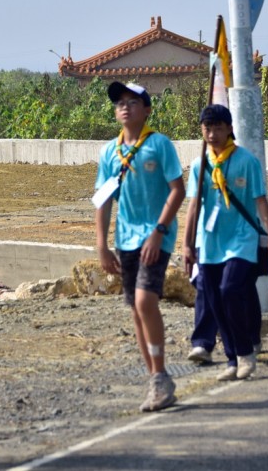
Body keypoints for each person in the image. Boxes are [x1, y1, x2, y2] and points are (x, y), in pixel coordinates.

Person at [94, 81, 185, 412]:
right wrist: (101, 245)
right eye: (119, 102)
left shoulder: (158, 144)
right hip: (126, 240)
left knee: (146, 300)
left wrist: (160, 230)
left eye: (133, 102)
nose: (125, 107)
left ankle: (160, 374)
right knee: (135, 308)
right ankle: (156, 380)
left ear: (146, 109)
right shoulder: (109, 152)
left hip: (156, 236)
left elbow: (177, 189)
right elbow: (103, 201)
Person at [181, 105, 268, 381]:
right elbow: (192, 207)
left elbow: (260, 201)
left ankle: (246, 352)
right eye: (207, 129)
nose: (212, 134)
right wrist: (187, 244)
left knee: (230, 290)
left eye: (217, 128)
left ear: (228, 129)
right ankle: (231, 358)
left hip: (241, 239)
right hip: (210, 242)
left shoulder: (246, 161)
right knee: (213, 299)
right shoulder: (199, 165)